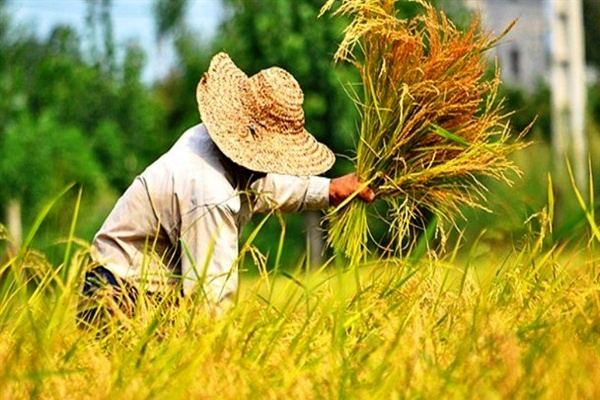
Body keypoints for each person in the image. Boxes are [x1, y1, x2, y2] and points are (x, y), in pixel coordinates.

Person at [78, 52, 374, 322]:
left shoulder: (210, 142)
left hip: (143, 293)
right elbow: (210, 305)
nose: (273, 166)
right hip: (116, 298)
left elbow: (265, 187)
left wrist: (330, 189)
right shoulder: (210, 194)